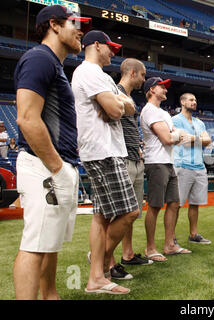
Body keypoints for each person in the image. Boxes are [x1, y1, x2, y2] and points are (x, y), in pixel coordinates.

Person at [13, 5, 91, 300]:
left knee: (50, 241)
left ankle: (51, 295)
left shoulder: (53, 64)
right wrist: (57, 168)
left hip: (55, 164)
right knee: (35, 244)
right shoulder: (39, 58)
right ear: (55, 25)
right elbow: (26, 118)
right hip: (44, 165)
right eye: (75, 24)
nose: (80, 30)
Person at [72, 30, 140, 294]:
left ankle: (95, 278)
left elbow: (129, 108)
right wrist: (118, 104)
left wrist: (119, 102)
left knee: (101, 217)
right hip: (102, 151)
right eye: (109, 47)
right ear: (95, 45)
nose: (113, 52)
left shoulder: (101, 77)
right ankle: (98, 262)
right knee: (130, 211)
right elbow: (115, 111)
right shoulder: (89, 72)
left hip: (107, 150)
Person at [140, 77, 191, 262]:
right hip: (156, 162)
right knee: (154, 206)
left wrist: (176, 135)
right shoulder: (150, 111)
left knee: (174, 203)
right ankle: (150, 248)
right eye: (162, 87)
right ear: (152, 90)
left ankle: (169, 244)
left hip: (168, 161)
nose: (166, 90)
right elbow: (168, 139)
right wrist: (177, 135)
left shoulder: (163, 113)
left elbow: (174, 136)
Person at [115, 58, 152, 266]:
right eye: (143, 75)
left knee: (132, 212)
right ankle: (105, 257)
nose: (143, 79)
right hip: (123, 159)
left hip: (134, 158)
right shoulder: (115, 92)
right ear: (132, 73)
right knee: (121, 213)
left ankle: (127, 253)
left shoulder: (129, 97)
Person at [172, 93, 212, 244]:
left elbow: (207, 140)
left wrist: (194, 138)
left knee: (195, 203)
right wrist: (199, 139)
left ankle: (193, 234)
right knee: (176, 204)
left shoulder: (199, 122)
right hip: (182, 165)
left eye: (195, 99)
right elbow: (183, 140)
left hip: (199, 166)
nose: (194, 102)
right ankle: (171, 237)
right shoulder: (175, 119)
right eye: (191, 99)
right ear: (182, 102)